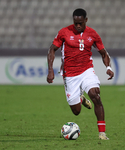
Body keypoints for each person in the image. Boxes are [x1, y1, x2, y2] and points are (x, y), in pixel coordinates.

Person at [47, 8, 114, 140]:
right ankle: (80, 98)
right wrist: (50, 70)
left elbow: (103, 53)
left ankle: (102, 133)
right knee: (76, 111)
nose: (78, 26)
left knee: (95, 95)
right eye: (75, 23)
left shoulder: (93, 34)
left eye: (81, 23)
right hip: (70, 74)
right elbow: (52, 49)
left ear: (86, 20)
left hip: (86, 70)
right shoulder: (64, 32)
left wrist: (108, 67)